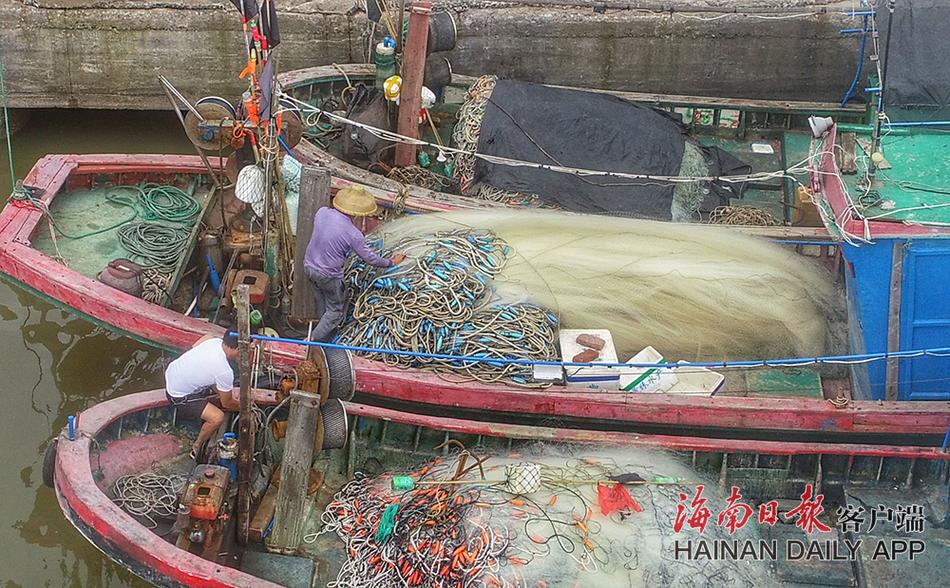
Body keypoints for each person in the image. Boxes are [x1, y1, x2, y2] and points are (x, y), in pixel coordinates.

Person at [303, 185, 404, 342]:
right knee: (335, 312)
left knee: (322, 305)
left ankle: (321, 338)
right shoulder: (353, 234)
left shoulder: (322, 212)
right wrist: (391, 262)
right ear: (358, 213)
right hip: (329, 276)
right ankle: (310, 342)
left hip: (309, 267)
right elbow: (370, 258)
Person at [164, 333, 242, 459]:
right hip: (178, 395)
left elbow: (200, 342)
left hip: (172, 374)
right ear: (238, 349)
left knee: (222, 390)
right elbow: (227, 404)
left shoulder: (213, 340)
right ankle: (197, 446)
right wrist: (243, 407)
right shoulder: (224, 371)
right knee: (217, 417)